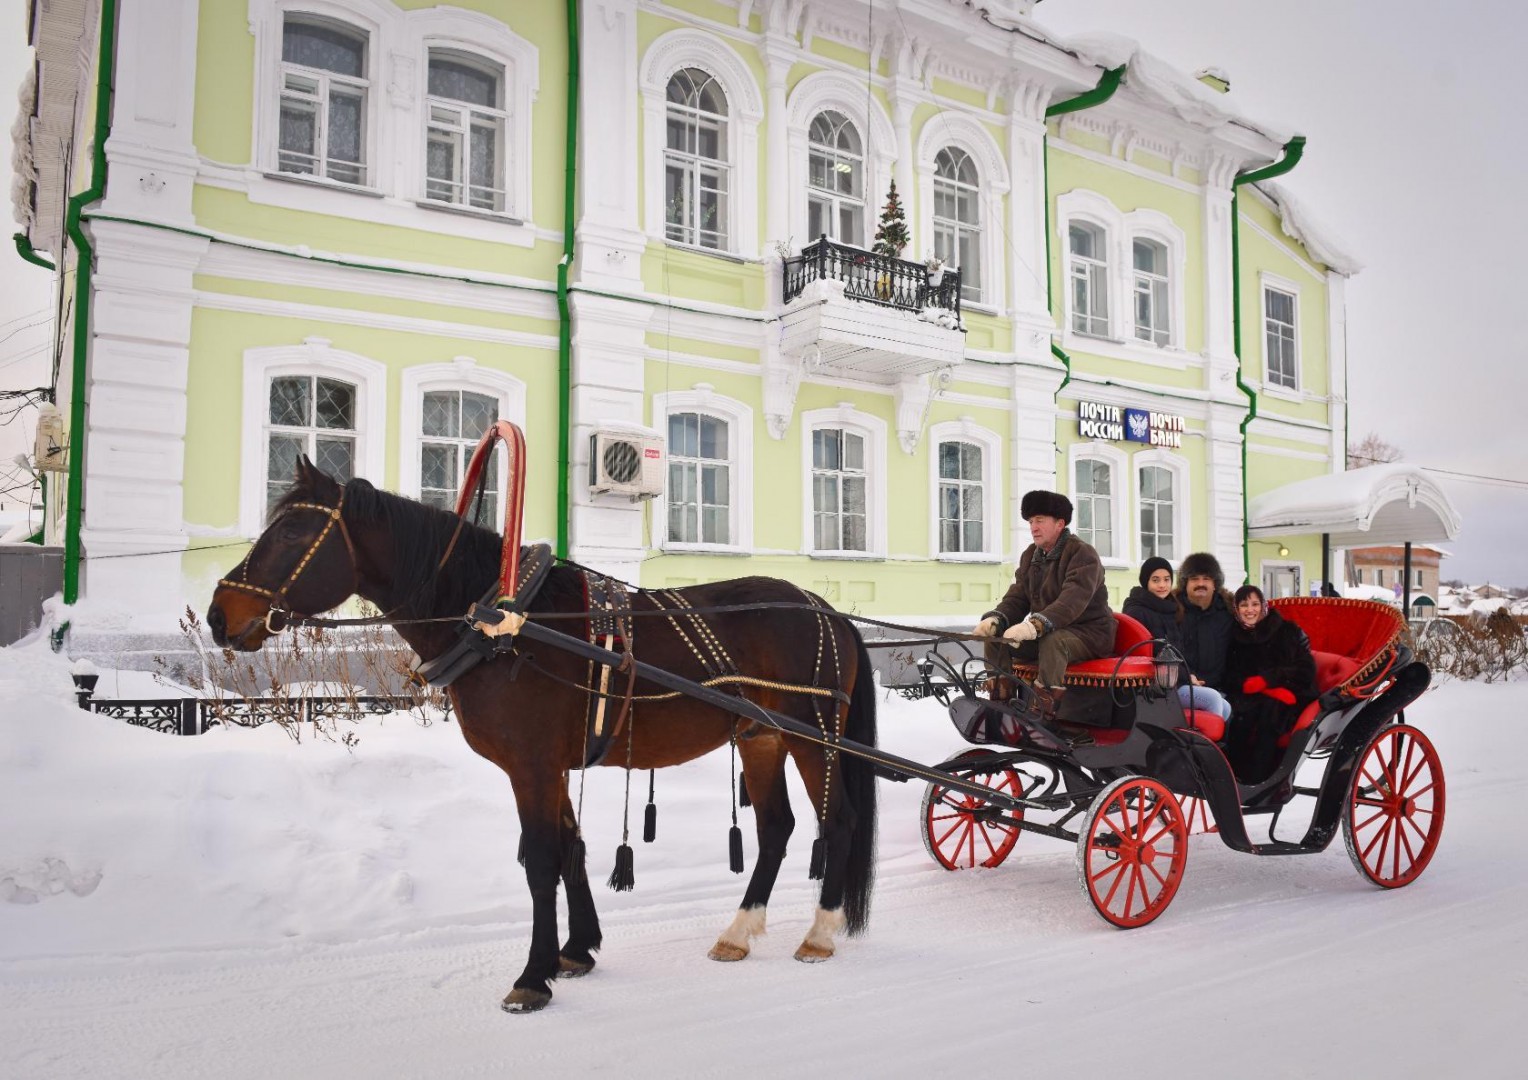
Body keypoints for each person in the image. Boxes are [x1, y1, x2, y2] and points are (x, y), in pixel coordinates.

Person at [970, 490, 1115, 713]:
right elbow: (1018, 596)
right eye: (1030, 521)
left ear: (1060, 523)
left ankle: (1043, 711)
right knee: (997, 638)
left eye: (1039, 520)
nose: (1033, 527)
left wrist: (1033, 626)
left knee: (1054, 640)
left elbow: (1071, 601)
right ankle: (1002, 703)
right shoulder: (1031, 555)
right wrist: (996, 619)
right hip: (1046, 631)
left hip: (1088, 634)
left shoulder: (1083, 554)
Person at [1222, 584, 1318, 783]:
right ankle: (1233, 776)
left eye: (1255, 604)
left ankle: (1260, 780)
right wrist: (1245, 684)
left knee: (1269, 713)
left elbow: (1305, 670)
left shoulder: (1285, 631)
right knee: (1237, 715)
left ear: (1263, 605)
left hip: (1291, 694)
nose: (1250, 610)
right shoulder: (1236, 637)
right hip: (1253, 694)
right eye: (1244, 605)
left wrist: (1269, 680)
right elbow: (1230, 674)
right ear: (1237, 610)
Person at [1123, 556, 1233, 723]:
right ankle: (1201, 747)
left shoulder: (1170, 608)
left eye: (1166, 580)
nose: (1162, 585)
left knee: (1226, 706)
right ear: (1146, 582)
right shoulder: (1138, 611)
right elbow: (1153, 654)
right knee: (1213, 699)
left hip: (1174, 681)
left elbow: (1177, 653)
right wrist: (1186, 676)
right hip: (1156, 687)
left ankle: (1209, 745)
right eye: (1155, 580)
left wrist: (1189, 675)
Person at [1174, 552, 1237, 699]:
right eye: (1194, 579)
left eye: (1206, 579)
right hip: (1182, 687)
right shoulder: (1173, 610)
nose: (1200, 584)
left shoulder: (1229, 612)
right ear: (1185, 584)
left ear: (1215, 584)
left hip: (1222, 689)